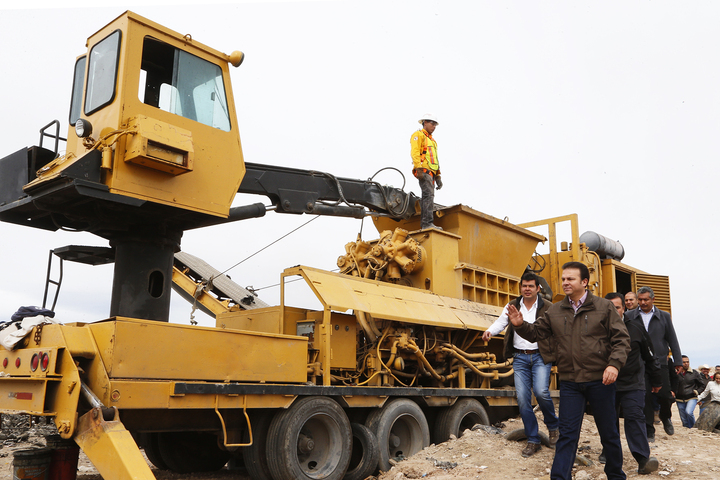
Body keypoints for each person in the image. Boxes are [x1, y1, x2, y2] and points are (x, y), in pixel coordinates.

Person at [509, 262, 630, 480]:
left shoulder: (604, 307)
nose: (565, 282)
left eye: (571, 279)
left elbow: (621, 340)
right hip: (570, 383)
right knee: (567, 435)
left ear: (584, 282)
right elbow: (536, 333)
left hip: (600, 381)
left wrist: (614, 365)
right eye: (564, 279)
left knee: (609, 434)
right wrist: (520, 325)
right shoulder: (555, 310)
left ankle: (615, 476)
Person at [481, 272, 559, 457]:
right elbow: (502, 322)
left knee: (541, 392)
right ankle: (533, 439)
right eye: (524, 285)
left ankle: (553, 426)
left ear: (538, 288)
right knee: (523, 399)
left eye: (531, 286)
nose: (527, 289)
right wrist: (489, 331)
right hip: (520, 358)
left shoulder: (548, 307)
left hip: (540, 356)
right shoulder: (513, 305)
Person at [600, 292, 661, 474]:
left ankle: (643, 459)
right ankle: (608, 452)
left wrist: (656, 380)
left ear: (624, 309)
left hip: (633, 383)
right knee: (608, 420)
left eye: (617, 307)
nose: (613, 310)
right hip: (605, 384)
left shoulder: (636, 328)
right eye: (609, 307)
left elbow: (649, 356)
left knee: (634, 417)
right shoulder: (596, 330)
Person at [626, 286, 683, 441]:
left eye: (646, 299)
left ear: (653, 299)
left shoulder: (664, 316)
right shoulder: (629, 315)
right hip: (640, 362)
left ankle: (665, 417)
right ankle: (649, 430)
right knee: (645, 397)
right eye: (640, 299)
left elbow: (672, 338)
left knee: (665, 395)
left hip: (660, 362)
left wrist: (678, 361)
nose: (643, 302)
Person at [410, 114, 442, 230]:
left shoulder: (432, 141)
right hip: (424, 171)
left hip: (431, 173)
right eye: (432, 123)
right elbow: (415, 152)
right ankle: (427, 224)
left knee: (429, 196)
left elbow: (435, 159)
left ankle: (427, 223)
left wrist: (438, 176)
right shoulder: (418, 135)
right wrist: (418, 168)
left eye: (435, 124)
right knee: (428, 195)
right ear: (425, 123)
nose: (434, 127)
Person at [675, 355, 705, 428]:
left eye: (687, 362)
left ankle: (693, 428)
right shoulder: (675, 373)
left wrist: (696, 392)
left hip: (691, 397)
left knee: (689, 412)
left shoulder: (694, 373)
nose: (686, 364)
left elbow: (702, 385)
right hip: (679, 398)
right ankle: (686, 430)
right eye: (684, 362)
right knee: (683, 418)